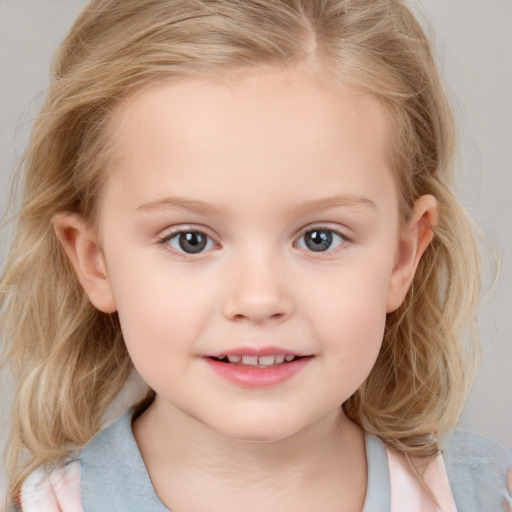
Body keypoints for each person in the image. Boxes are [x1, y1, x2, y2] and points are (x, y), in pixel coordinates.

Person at [1, 0, 511, 510]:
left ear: (402, 258)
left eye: (320, 238)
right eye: (190, 240)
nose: (260, 299)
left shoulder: (485, 498)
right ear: (96, 261)